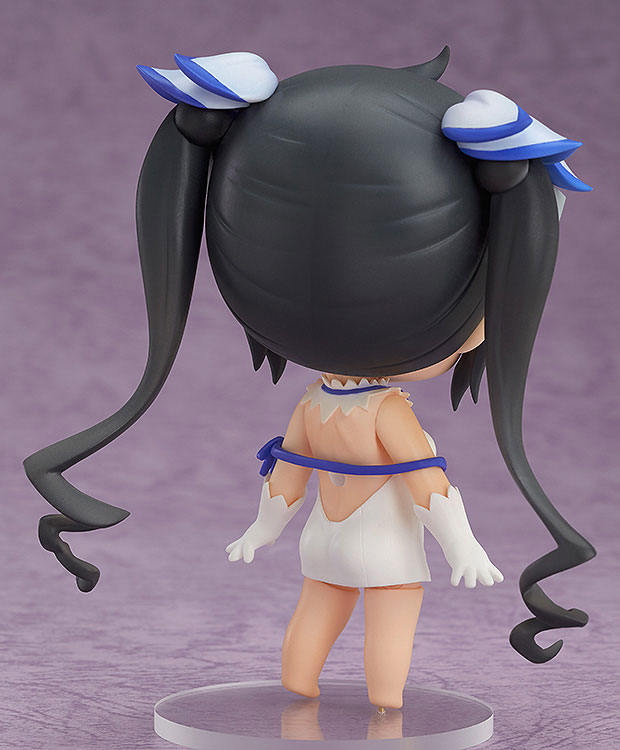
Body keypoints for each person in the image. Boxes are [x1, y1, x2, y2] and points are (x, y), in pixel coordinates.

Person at [24, 48, 595, 708]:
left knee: (318, 607)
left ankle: (299, 686)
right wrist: (462, 546)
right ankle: (387, 704)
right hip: (384, 550)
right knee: (392, 615)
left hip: (324, 540)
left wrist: (262, 530)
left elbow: (287, 476)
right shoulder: (387, 413)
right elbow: (427, 484)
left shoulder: (312, 404)